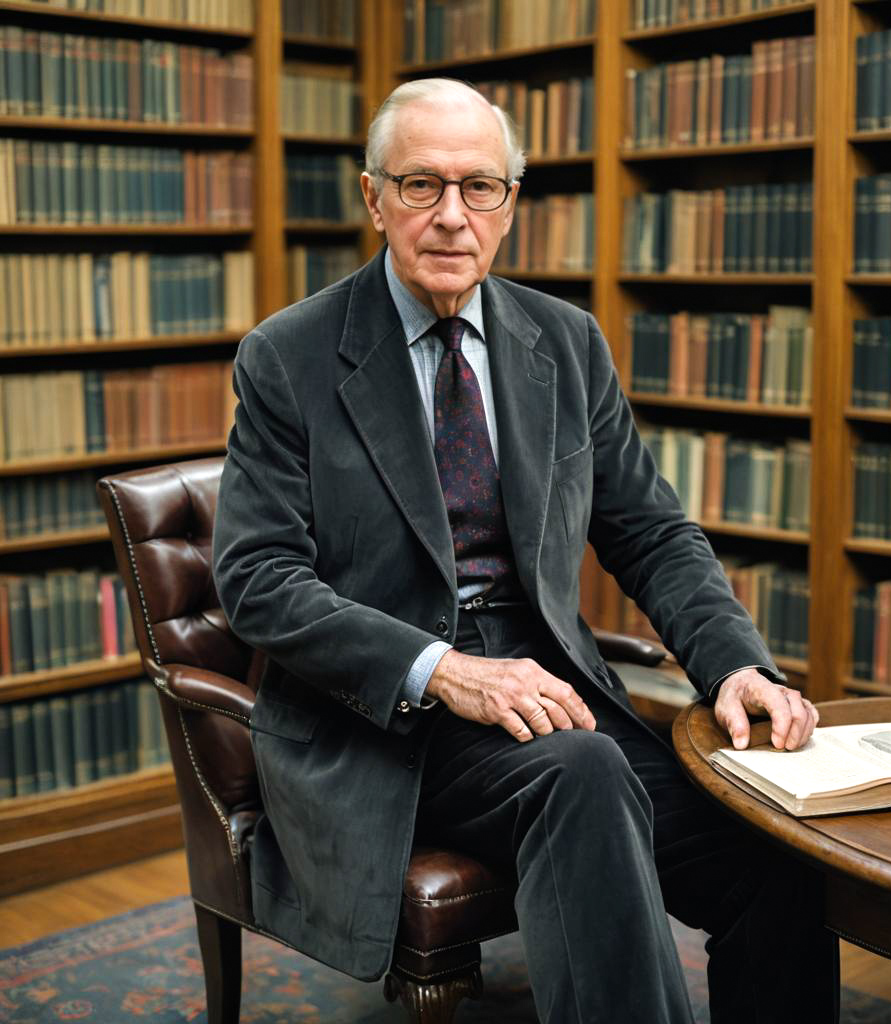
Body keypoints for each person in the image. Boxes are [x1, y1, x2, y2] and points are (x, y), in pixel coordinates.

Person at [213, 77, 838, 1023]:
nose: (452, 217)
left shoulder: (566, 343)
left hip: (547, 690)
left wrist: (734, 665)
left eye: (481, 187)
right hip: (392, 720)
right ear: (373, 197)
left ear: (512, 202)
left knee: (774, 847)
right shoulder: (287, 357)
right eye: (421, 185)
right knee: (582, 775)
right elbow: (258, 582)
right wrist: (447, 670)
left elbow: (650, 531)